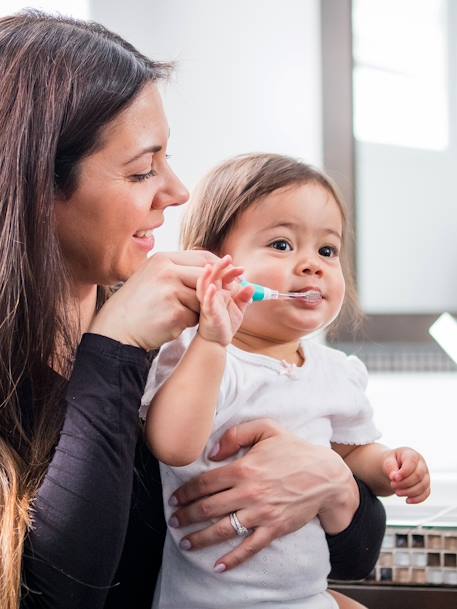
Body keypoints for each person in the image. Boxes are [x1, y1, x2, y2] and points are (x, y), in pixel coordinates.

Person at [0, 11, 386, 609]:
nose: (177, 192)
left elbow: (355, 554)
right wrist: (114, 350)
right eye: (142, 169)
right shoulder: (132, 348)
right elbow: (59, 596)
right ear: (35, 184)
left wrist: (333, 484)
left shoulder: (189, 336)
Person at [142, 153, 431, 609]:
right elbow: (173, 445)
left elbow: (352, 456)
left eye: (327, 250)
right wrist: (213, 343)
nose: (312, 264)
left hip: (306, 597)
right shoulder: (201, 356)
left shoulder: (335, 372)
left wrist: (394, 466)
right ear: (212, 263)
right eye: (281, 244)